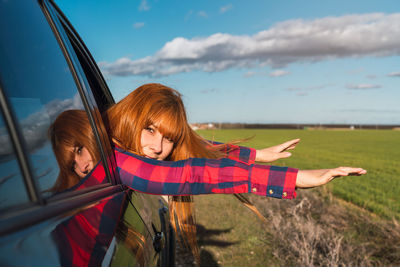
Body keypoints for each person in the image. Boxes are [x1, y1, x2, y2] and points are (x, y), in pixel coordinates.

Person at [49, 84, 366, 262]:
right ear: (132, 117)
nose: (158, 147)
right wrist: (294, 177)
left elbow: (196, 148)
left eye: (167, 138)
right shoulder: (116, 159)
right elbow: (191, 174)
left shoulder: (112, 140)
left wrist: (256, 155)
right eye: (150, 130)